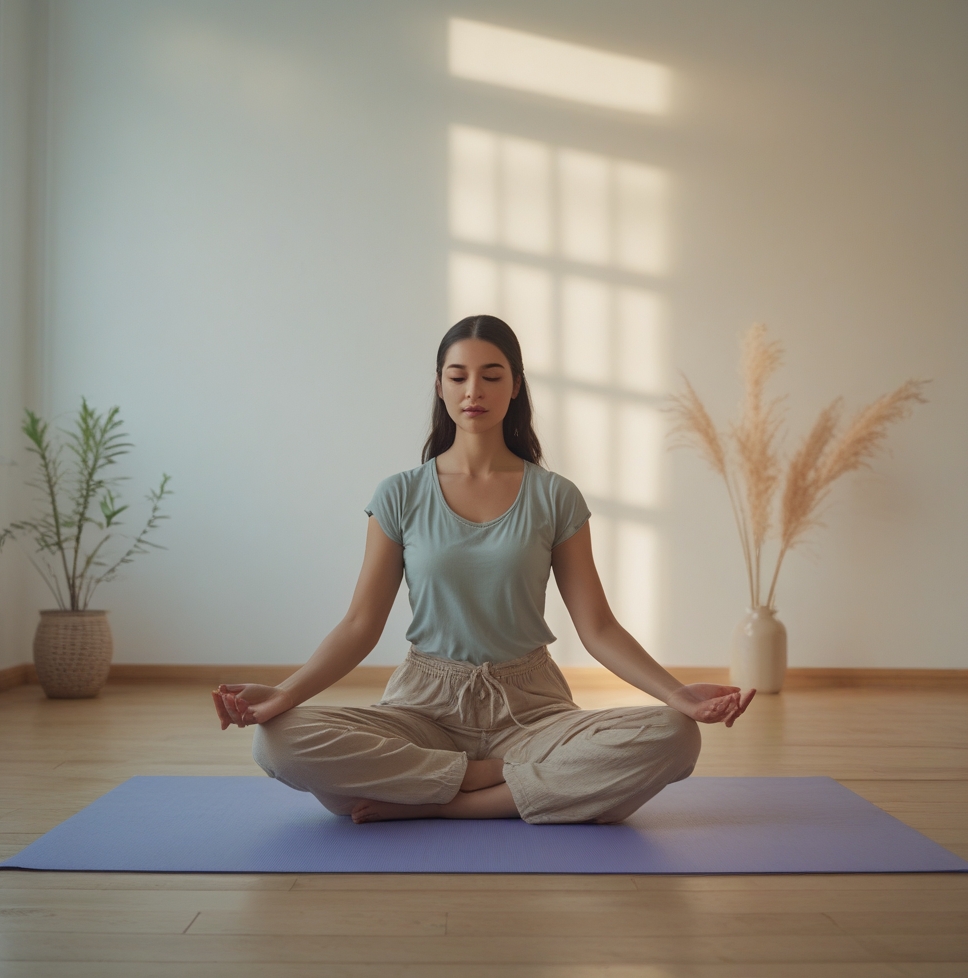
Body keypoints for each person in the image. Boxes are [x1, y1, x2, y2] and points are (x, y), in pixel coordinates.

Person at [212, 315, 754, 824]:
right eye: (459, 376)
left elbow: (599, 628)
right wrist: (285, 695)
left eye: (492, 376)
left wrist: (676, 694)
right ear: (440, 386)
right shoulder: (399, 495)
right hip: (422, 709)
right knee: (277, 743)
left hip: (533, 713)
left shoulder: (555, 496)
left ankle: (441, 803)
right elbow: (360, 625)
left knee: (676, 736)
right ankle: (499, 786)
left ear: (515, 386)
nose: (474, 391)